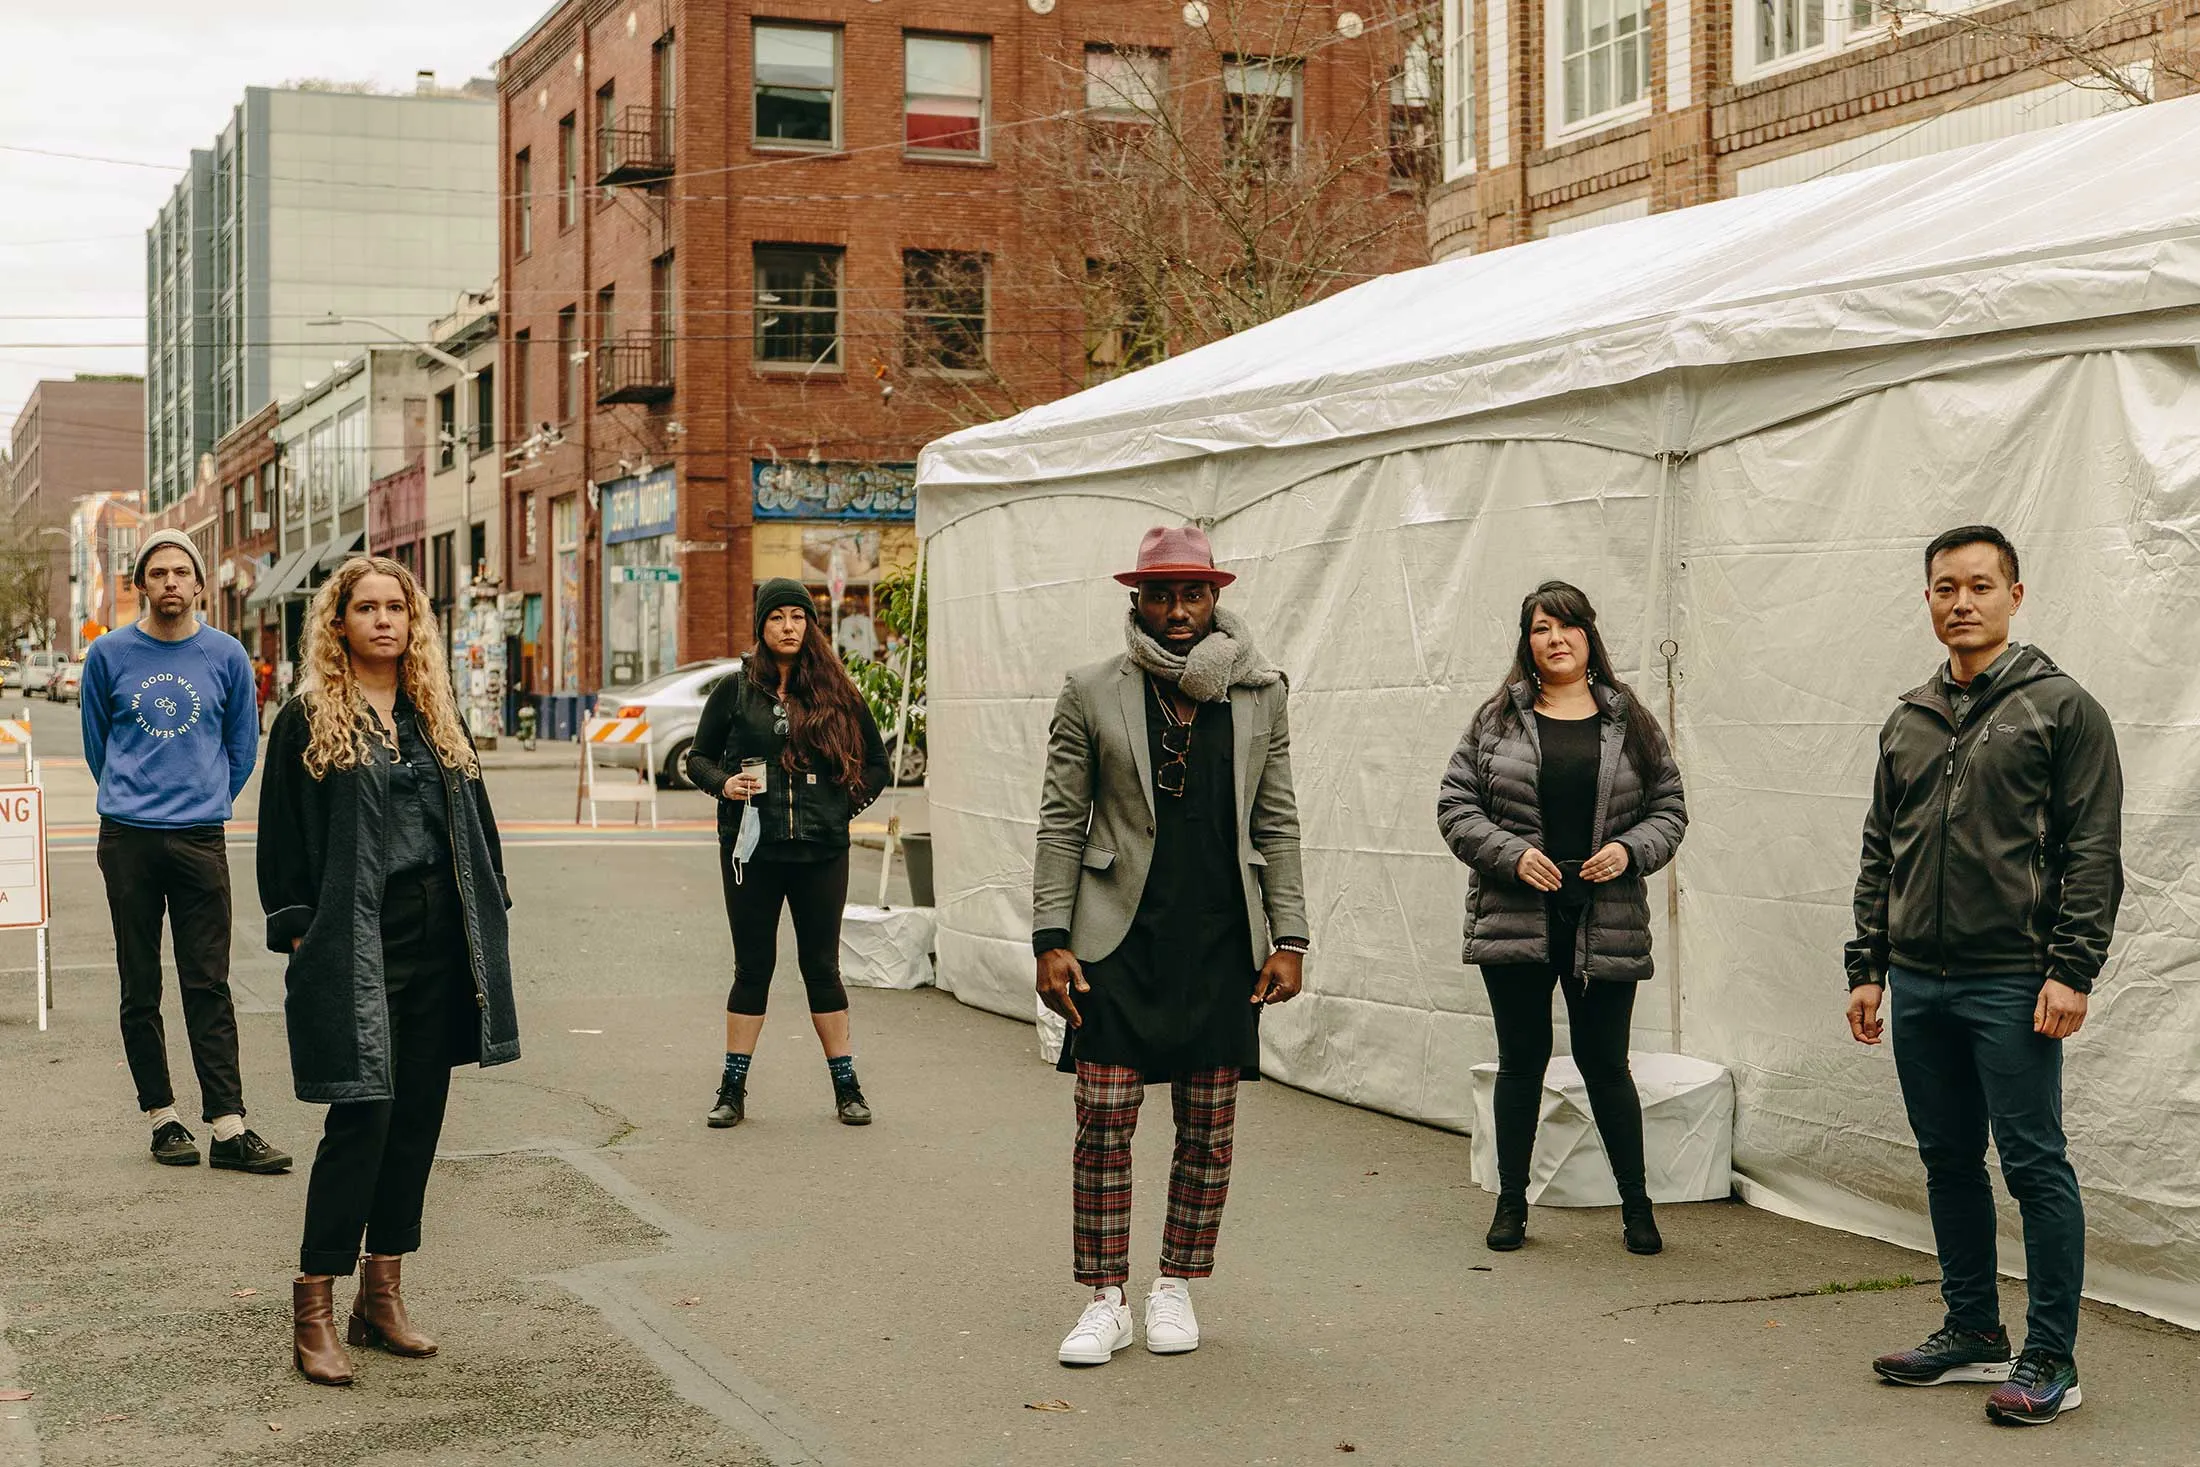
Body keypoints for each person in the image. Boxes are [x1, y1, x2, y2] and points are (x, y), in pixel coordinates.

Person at [1846, 526, 2121, 1427]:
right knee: (1948, 1159)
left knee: (2035, 1163)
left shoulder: (2061, 708)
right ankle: (1973, 1329)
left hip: (2012, 977)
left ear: (2015, 594)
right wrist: (1868, 965)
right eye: (1943, 587)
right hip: (1919, 981)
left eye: (1978, 585)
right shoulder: (1908, 718)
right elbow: (1881, 848)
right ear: (1927, 599)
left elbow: (2092, 849)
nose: (1960, 601)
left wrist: (2071, 967)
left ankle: (2051, 1357)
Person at [1033, 525, 1308, 1368]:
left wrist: (1289, 933)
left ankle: (1175, 1285)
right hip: (1117, 938)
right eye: (1161, 595)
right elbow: (1059, 818)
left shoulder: (1261, 691)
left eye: (1192, 593)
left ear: (1215, 597)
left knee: (1208, 1130)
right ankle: (1105, 1297)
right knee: (1103, 1122)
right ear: (1137, 602)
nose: (1177, 610)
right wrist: (1050, 935)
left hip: (1224, 939)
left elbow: (1277, 818)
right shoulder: (1091, 689)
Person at [257, 556, 521, 1387]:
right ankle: (315, 1304)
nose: (382, 620)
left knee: (417, 1121)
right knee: (360, 1122)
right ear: (337, 623)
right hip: (355, 946)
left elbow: (475, 821)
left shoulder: (435, 714)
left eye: (395, 608)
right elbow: (282, 841)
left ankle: (383, 1294)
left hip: (440, 942)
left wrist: (493, 908)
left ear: (414, 622)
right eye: (364, 607)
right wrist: (301, 935)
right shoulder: (307, 718)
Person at [1435, 581, 1687, 1257]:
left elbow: (1670, 809)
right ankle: (1511, 1203)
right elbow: (1457, 808)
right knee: (1523, 1062)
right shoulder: (1497, 720)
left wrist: (1628, 851)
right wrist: (1512, 856)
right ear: (1528, 641)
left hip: (1604, 915)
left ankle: (1638, 1208)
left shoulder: (1628, 716)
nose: (1555, 639)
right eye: (1541, 628)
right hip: (1516, 914)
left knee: (1606, 1063)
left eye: (1567, 626)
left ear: (1588, 635)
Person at [81, 528, 290, 1175]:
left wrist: (204, 799)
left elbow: (241, 746)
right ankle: (162, 1118)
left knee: (208, 980)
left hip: (200, 837)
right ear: (141, 584)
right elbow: (98, 745)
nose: (170, 582)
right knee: (140, 982)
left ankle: (228, 1126)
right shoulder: (108, 655)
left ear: (199, 584)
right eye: (158, 572)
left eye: (181, 572)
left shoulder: (225, 655)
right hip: (128, 838)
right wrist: (134, 797)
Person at [687, 579, 891, 1130]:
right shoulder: (734, 690)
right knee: (752, 969)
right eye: (777, 617)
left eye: (797, 617)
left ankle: (847, 1087)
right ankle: (732, 1089)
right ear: (761, 626)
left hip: (821, 853)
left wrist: (840, 806)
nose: (788, 627)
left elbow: (877, 764)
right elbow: (697, 758)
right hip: (752, 851)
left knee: (821, 968)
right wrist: (725, 785)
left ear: (810, 625)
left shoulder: (836, 691)